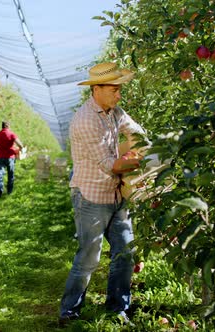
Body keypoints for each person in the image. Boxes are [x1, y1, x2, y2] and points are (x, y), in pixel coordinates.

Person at [59, 62, 147, 325]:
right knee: (89, 257)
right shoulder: (85, 121)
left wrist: (142, 146)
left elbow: (137, 132)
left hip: (116, 195)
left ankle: (117, 309)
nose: (119, 95)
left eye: (120, 89)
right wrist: (143, 162)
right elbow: (111, 165)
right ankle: (69, 312)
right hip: (91, 196)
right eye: (114, 89)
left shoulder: (114, 111)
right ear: (96, 89)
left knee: (125, 252)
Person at [0, 121, 25, 198]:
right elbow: (20, 144)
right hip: (10, 157)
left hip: (0, 157)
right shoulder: (12, 134)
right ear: (8, 126)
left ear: (2, 126)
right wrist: (21, 149)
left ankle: (0, 189)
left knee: (0, 174)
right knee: (10, 174)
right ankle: (9, 191)